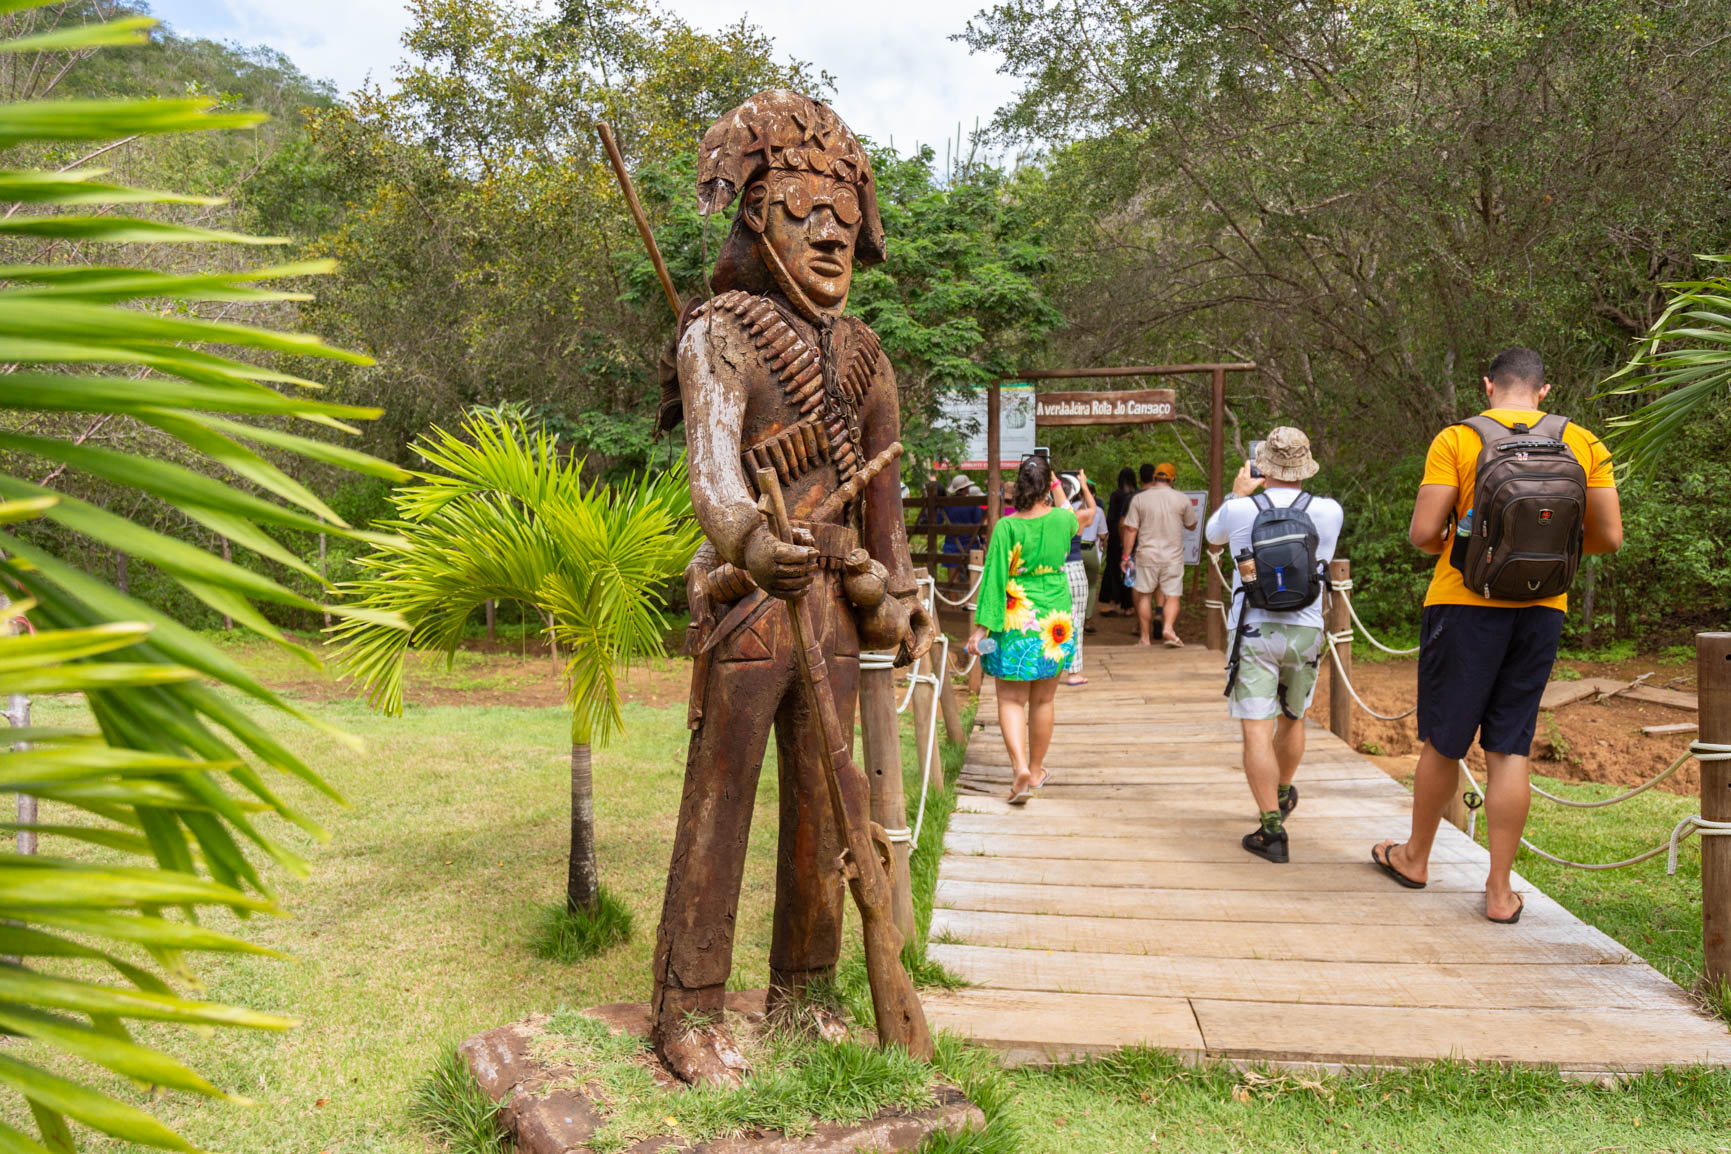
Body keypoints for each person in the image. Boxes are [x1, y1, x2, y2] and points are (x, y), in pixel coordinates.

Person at [650, 90, 934, 1085]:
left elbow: (886, 503)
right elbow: (713, 478)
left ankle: (805, 992)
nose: (827, 234)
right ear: (757, 216)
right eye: (802, 210)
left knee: (826, 803)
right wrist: (747, 540)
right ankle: (687, 1007)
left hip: (831, 607)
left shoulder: (865, 357)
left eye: (844, 217)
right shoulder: (719, 332)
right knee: (722, 796)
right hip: (750, 599)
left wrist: (896, 593)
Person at [1372, 347, 1622, 924]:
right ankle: (1500, 890)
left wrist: (1473, 545)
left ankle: (1414, 858)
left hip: (1463, 603)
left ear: (1488, 385)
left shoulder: (1457, 439)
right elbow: (1608, 537)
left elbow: (1422, 533)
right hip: (1542, 608)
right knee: (1510, 744)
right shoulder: (1584, 443)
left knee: (1445, 739)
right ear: (1544, 390)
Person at [1205, 428, 1343, 864]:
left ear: (1263, 463)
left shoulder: (1240, 508)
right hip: (1304, 627)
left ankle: (1271, 830)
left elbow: (1213, 538)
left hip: (1253, 628)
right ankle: (1282, 793)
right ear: (1305, 467)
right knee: (1293, 716)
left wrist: (1236, 493)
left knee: (1255, 728)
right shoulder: (1328, 511)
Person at [967, 454, 1082, 805]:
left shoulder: (1007, 527)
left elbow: (995, 579)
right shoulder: (1063, 521)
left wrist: (981, 629)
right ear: (1048, 485)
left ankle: (1018, 768)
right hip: (1054, 622)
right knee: (1044, 699)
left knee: (1011, 699)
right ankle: (1035, 769)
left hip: (1017, 618)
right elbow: (1071, 514)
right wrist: (1055, 487)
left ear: (1019, 486)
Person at [1121, 462, 1196, 646]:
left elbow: (1130, 530)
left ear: (1155, 478)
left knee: (1144, 595)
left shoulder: (1139, 499)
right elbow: (1191, 524)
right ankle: (1168, 628)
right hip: (1173, 557)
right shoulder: (1181, 499)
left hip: (1146, 555)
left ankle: (1144, 638)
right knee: (1172, 595)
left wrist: (1125, 557)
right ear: (1172, 479)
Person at [1057, 471, 1099, 686]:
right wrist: (1084, 485)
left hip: (1051, 570)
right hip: (1073, 569)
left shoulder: (1047, 515)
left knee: (1050, 618)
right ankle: (1073, 672)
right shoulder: (1077, 516)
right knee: (1076, 621)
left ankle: (1049, 666)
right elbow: (1092, 511)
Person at [1098, 467, 1137, 615]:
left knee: (1113, 570)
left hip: (1116, 538)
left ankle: (1113, 603)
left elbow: (1112, 518)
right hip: (1132, 538)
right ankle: (1129, 606)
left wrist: (1107, 536)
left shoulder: (1116, 494)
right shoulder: (1136, 495)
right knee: (1129, 571)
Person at [942, 472, 985, 584]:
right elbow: (978, 526)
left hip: (951, 545)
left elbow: (938, 520)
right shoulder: (973, 503)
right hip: (971, 545)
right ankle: (970, 601)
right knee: (973, 578)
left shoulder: (946, 503)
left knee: (952, 579)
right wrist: (983, 542)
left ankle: (955, 600)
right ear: (965, 488)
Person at [1079, 479, 1105, 632]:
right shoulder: (1099, 511)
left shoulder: (1070, 508)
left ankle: (1073, 617)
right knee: (1091, 585)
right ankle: (1087, 619)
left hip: (1073, 551)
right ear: (1093, 494)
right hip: (1090, 550)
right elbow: (1102, 534)